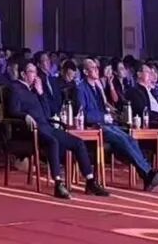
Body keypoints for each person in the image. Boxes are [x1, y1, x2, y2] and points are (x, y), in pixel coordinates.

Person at [8, 61, 110, 200]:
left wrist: (41, 93)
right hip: (31, 130)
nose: (35, 75)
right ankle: (58, 183)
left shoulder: (34, 91)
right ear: (23, 74)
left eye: (36, 72)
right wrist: (25, 116)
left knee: (78, 142)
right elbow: (12, 110)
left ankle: (90, 181)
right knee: (53, 142)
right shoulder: (15, 89)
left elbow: (47, 112)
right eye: (31, 72)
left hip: (46, 127)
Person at [76, 59, 158, 191]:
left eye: (96, 67)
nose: (96, 70)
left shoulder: (97, 88)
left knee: (130, 138)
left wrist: (110, 114)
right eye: (92, 68)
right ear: (85, 71)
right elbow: (82, 113)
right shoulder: (80, 88)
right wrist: (103, 116)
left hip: (106, 124)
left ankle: (147, 172)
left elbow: (105, 107)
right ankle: (147, 173)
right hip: (94, 127)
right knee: (122, 139)